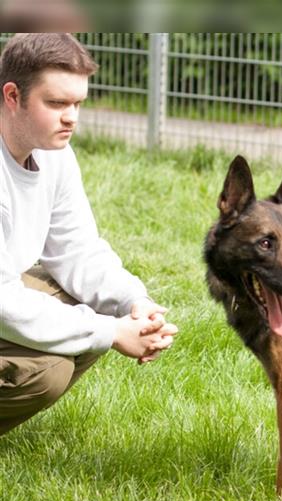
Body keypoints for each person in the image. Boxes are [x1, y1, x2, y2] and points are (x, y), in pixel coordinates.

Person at [0, 33, 178, 436]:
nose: (72, 117)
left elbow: (78, 250)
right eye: (57, 103)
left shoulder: (54, 152)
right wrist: (111, 333)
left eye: (78, 103)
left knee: (85, 320)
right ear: (13, 96)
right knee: (47, 371)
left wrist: (135, 304)